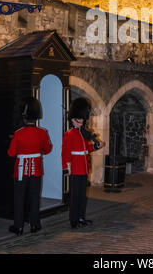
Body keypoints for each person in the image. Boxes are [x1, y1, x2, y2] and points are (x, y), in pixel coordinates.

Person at [7, 96, 52, 235]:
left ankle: (18, 227)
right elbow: (48, 149)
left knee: (19, 199)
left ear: (24, 117)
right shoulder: (42, 132)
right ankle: (35, 225)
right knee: (34, 197)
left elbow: (11, 153)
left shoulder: (18, 134)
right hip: (36, 171)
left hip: (20, 171)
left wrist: (13, 140)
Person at [62, 97, 105, 228]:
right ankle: (73, 219)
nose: (81, 121)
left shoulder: (84, 134)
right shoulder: (69, 134)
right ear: (73, 119)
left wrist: (97, 146)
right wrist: (66, 168)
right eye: (78, 119)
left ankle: (81, 217)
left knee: (82, 196)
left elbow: (87, 149)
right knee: (75, 196)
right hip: (75, 168)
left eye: (82, 119)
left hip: (84, 168)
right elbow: (65, 153)